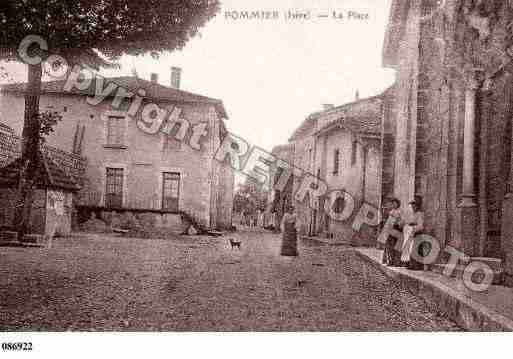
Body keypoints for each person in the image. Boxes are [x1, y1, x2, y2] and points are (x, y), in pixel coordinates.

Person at [401, 195, 425, 269]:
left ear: (417, 207)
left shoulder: (419, 214)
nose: (413, 208)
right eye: (412, 207)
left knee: (415, 249)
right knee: (410, 249)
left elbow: (420, 225)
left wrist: (413, 229)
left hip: (417, 233)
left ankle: (416, 266)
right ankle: (411, 264)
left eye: (414, 206)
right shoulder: (413, 214)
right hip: (411, 232)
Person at [379, 198, 402, 266]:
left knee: (395, 246)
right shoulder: (392, 211)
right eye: (393, 203)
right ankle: (390, 260)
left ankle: (395, 261)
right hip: (390, 229)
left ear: (398, 204)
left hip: (396, 229)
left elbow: (401, 221)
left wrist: (396, 223)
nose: (394, 204)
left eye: (395, 203)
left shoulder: (400, 211)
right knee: (389, 246)